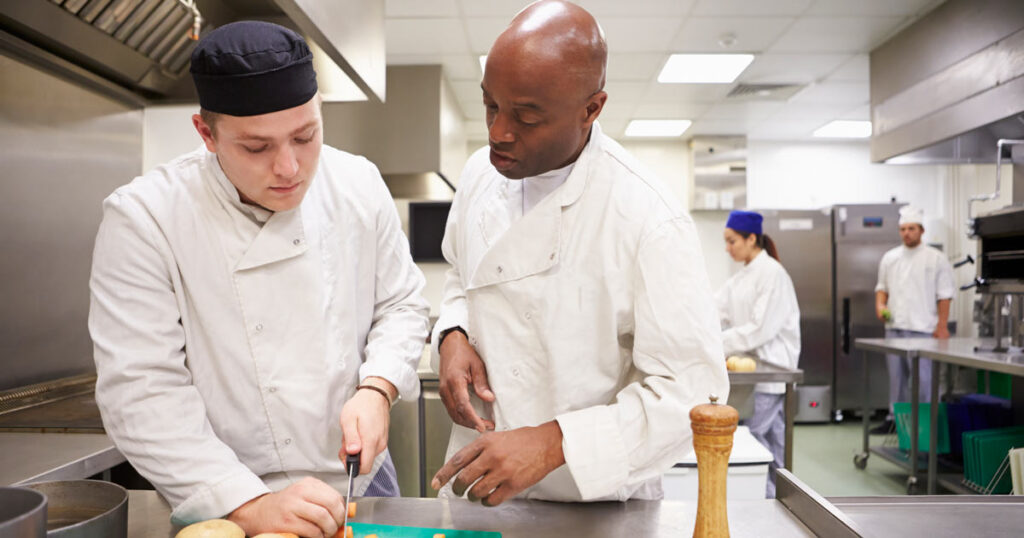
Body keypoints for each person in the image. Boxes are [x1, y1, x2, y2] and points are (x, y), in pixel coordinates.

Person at [88, 21, 429, 536]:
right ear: (207, 135)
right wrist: (247, 503)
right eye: (256, 148)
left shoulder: (357, 183)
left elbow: (401, 304)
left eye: (305, 136)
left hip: (361, 481)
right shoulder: (146, 217)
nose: (289, 167)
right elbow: (141, 389)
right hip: (229, 492)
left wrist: (377, 388)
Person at [428, 0, 728, 507]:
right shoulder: (482, 173)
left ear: (591, 109)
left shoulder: (648, 217)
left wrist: (554, 442)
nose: (498, 131)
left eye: (526, 116)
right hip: (476, 488)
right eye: (490, 105)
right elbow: (461, 272)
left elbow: (691, 394)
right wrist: (453, 335)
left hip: (595, 502)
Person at [715, 210, 801, 498]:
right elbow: (715, 308)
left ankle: (765, 500)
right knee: (771, 440)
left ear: (752, 239)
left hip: (772, 369)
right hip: (755, 370)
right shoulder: (741, 277)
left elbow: (758, 329)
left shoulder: (772, 274)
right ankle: (776, 498)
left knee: (756, 440)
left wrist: (716, 342)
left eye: (732, 242)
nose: (727, 249)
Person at [871, 205, 954, 434]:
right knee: (897, 380)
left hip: (924, 331)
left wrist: (942, 326)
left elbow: (945, 295)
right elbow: (882, 288)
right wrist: (880, 305)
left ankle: (928, 425)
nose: (907, 233)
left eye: (911, 228)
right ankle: (895, 422)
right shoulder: (890, 258)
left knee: (926, 382)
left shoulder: (936, 259)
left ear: (922, 230)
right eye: (903, 229)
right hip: (895, 329)